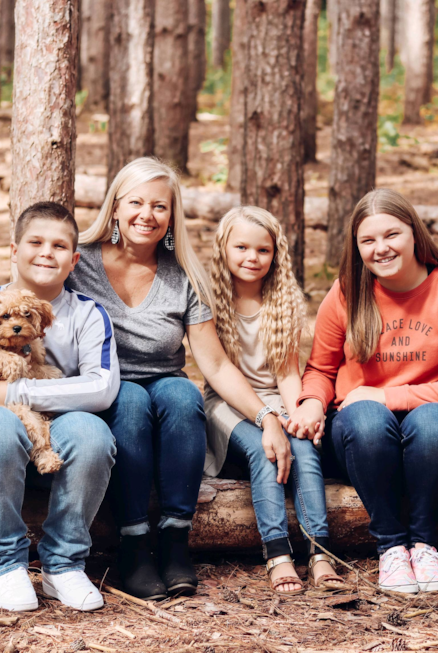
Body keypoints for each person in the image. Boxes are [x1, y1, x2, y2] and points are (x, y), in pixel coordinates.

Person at [67, 158, 293, 601]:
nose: (146, 215)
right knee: (129, 400)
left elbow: (215, 365)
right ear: (115, 207)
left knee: (181, 393)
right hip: (102, 387)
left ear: (172, 216)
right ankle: (133, 544)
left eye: (160, 206)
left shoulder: (184, 274)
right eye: (135, 202)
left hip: (164, 385)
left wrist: (266, 416)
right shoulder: (80, 264)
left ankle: (174, 539)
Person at [286, 189, 438, 594]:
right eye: (368, 240)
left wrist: (385, 395)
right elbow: (321, 368)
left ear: (414, 233)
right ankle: (391, 548)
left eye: (391, 235)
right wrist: (311, 402)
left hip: (434, 428)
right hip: (359, 434)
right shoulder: (348, 290)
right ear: (357, 246)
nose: (381, 248)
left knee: (431, 420)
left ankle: (423, 543)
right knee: (366, 418)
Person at [0, 202, 119, 612]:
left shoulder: (88, 313)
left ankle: (63, 566)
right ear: (14, 250)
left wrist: (17, 390)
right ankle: (6, 566)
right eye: (35, 242)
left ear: (74, 259)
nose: (47, 252)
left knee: (93, 433)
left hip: (55, 428)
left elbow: (101, 388)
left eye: (59, 245)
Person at [204, 206, 345, 596]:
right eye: (242, 248)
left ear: (275, 254)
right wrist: (269, 420)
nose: (252, 258)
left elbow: (285, 373)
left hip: (273, 400)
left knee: (302, 446)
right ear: (224, 249)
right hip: (227, 403)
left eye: (263, 250)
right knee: (264, 450)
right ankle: (278, 553)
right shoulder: (209, 300)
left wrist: (300, 413)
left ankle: (319, 551)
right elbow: (218, 373)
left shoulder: (281, 301)